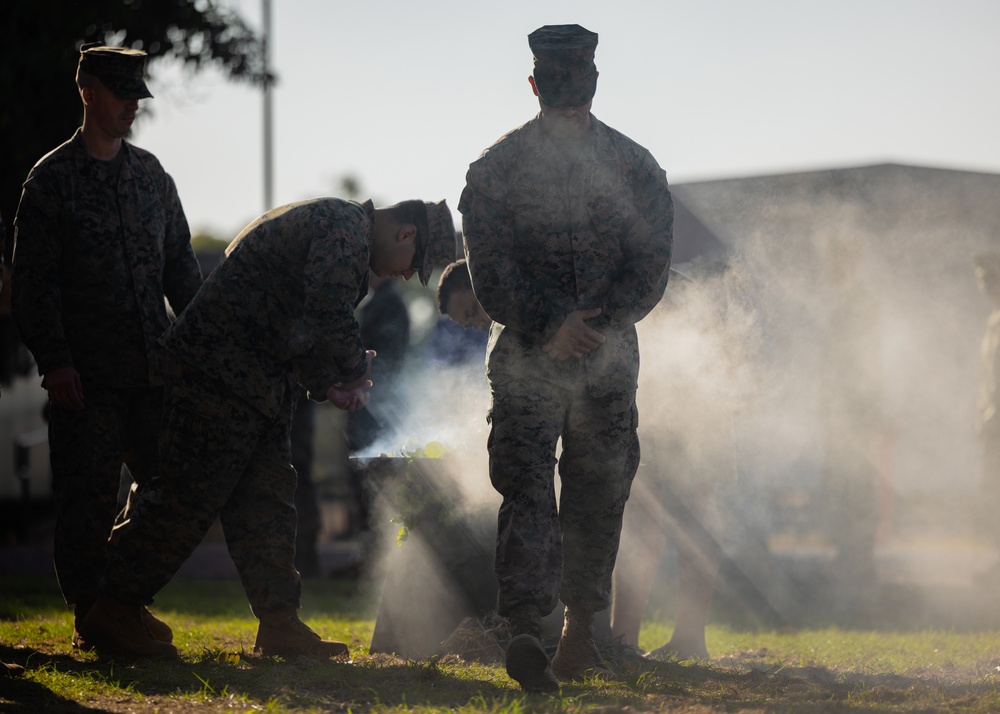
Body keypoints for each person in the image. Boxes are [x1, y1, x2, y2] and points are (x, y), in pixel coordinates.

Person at [78, 196, 456, 659]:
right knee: (187, 494)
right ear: (406, 234)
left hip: (256, 381)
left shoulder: (347, 235)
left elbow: (300, 326)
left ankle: (279, 624)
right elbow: (327, 312)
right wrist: (355, 370)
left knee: (269, 501)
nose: (402, 276)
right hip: (219, 372)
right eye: (410, 267)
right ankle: (112, 606)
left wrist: (329, 385)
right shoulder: (344, 228)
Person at [459, 24, 673, 691]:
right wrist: (555, 325)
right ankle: (533, 633)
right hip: (532, 359)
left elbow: (651, 268)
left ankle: (578, 632)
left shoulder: (633, 168)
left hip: (599, 360)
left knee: (596, 490)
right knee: (530, 489)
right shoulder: (498, 170)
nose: (571, 97)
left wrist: (591, 328)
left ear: (538, 83)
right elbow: (487, 273)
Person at [9, 44, 204, 650]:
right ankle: (91, 616)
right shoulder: (51, 182)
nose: (133, 108)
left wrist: (201, 347)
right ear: (88, 92)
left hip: (153, 371)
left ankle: (122, 601)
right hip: (85, 379)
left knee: (172, 489)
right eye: (122, 96)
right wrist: (56, 361)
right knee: (86, 501)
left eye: (138, 98)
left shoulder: (152, 176)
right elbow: (33, 286)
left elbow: (183, 276)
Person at [606, 258, 749, 661]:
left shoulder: (626, 270)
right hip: (677, 393)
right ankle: (636, 639)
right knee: (655, 515)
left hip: (684, 395)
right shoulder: (639, 266)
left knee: (664, 515)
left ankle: (640, 640)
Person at [975, 252, 1000, 586]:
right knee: (992, 493)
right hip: (992, 422)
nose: (982, 285)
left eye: (986, 276)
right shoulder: (993, 319)